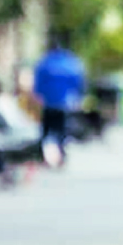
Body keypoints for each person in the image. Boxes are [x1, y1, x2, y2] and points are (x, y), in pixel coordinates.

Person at [32, 37, 87, 168]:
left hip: (48, 103)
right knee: (61, 131)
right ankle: (61, 156)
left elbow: (38, 84)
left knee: (46, 132)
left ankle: (44, 156)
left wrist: (38, 97)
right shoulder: (70, 63)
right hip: (64, 103)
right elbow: (79, 82)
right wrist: (78, 97)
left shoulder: (44, 62)